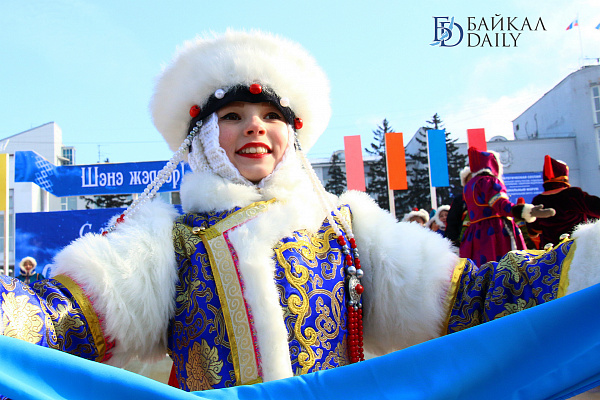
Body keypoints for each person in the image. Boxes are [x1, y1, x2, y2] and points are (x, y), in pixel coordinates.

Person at [1, 31, 600, 395]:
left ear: (293, 135)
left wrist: (586, 266)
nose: (254, 128)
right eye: (233, 116)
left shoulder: (348, 230)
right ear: (201, 137)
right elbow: (66, 316)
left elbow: (471, 300)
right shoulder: (167, 241)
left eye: (271, 117)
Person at [459, 147, 555, 266]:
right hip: (494, 231)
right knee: (504, 266)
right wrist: (524, 211)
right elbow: (500, 204)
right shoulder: (489, 181)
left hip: (475, 233)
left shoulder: (469, 185)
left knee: (479, 267)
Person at [527, 155, 600, 248]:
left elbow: (534, 230)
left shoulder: (537, 200)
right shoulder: (573, 194)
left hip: (551, 251)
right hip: (577, 248)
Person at [445, 166, 471, 248]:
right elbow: (452, 222)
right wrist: (454, 242)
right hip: (463, 243)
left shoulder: (487, 199)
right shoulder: (460, 200)